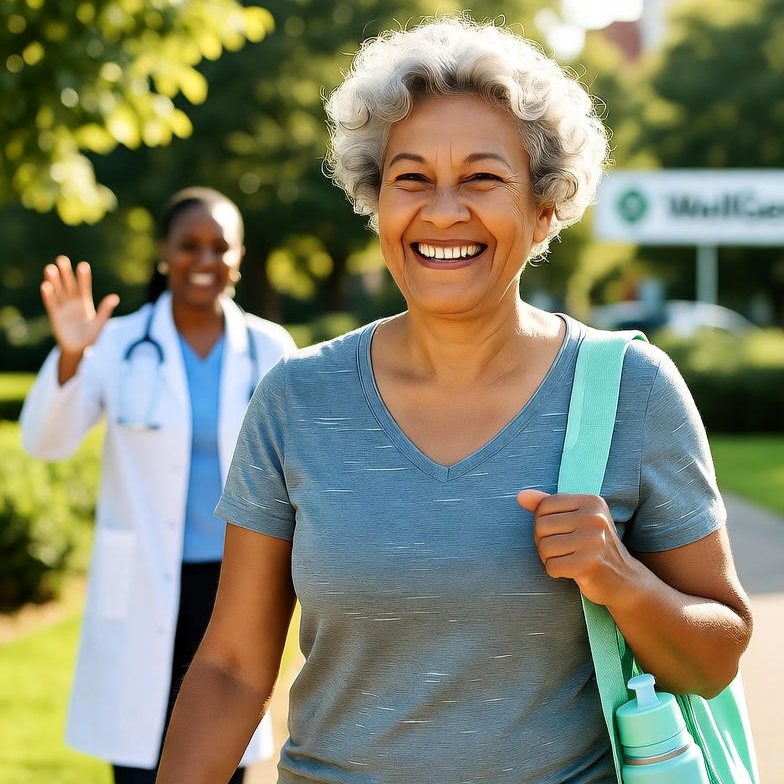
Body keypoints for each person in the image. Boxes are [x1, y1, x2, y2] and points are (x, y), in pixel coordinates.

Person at [156, 20, 753, 784]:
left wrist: (620, 579)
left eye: (481, 178)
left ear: (544, 211)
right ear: (376, 204)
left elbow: (715, 657)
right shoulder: (296, 400)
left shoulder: (630, 392)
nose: (443, 211)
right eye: (411, 178)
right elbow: (235, 669)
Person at [20, 187, 296, 784]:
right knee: (143, 759)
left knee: (229, 756)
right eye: (189, 245)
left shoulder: (271, 349)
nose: (205, 259)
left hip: (237, 585)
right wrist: (71, 358)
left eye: (219, 246)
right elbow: (45, 441)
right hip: (145, 581)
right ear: (164, 255)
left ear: (240, 256)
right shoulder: (116, 343)